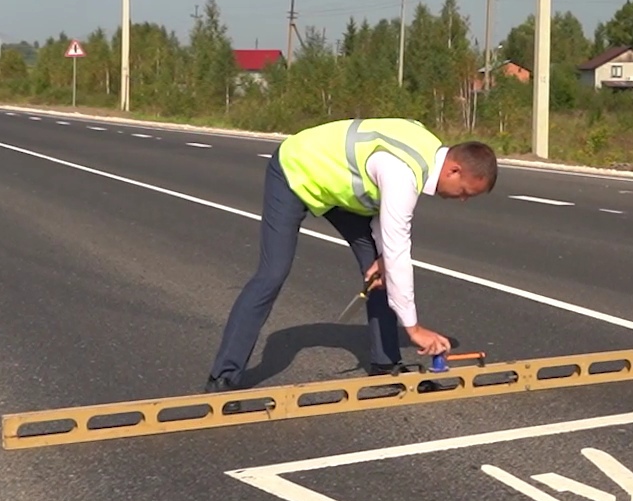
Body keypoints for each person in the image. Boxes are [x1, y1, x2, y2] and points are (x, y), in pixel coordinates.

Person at [206, 117, 499, 392]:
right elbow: (398, 246)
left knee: (380, 272)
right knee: (272, 274)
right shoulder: (402, 172)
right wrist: (414, 329)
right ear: (453, 170)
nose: (461, 200)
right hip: (295, 172)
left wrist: (382, 259)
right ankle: (223, 378)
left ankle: (386, 365)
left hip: (339, 193)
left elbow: (382, 219)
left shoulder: (426, 152)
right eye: (464, 192)